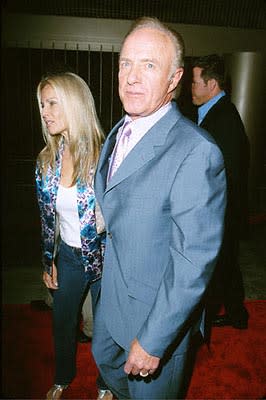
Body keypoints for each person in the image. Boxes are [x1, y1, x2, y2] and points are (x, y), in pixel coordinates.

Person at [92, 17, 227, 399]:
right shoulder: (121, 129)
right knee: (110, 373)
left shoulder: (196, 151)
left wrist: (153, 340)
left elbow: (193, 261)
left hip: (156, 316)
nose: (131, 77)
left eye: (149, 65)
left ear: (174, 79)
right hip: (113, 298)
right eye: (126, 63)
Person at [35, 72, 112, 400]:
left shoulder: (105, 156)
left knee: (107, 329)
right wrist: (48, 261)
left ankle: (107, 383)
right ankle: (63, 376)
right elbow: (47, 221)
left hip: (107, 257)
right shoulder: (46, 161)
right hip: (67, 256)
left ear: (74, 103)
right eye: (42, 104)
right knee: (61, 322)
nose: (45, 111)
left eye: (52, 102)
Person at [191, 54, 250, 329]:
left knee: (219, 263)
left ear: (211, 84)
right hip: (222, 209)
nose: (191, 87)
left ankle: (211, 316)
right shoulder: (215, 112)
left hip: (220, 210)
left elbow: (227, 173)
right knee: (226, 262)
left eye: (195, 82)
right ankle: (237, 314)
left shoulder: (224, 118)